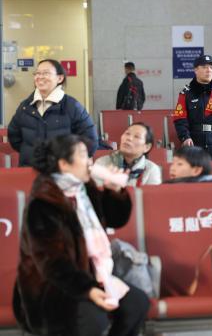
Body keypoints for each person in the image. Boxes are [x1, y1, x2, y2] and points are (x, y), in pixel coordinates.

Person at [13, 134, 150, 336]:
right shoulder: (43, 204)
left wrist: (114, 191)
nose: (90, 161)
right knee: (93, 319)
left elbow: (114, 220)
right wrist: (88, 289)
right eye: (84, 155)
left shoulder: (84, 189)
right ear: (64, 164)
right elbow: (53, 263)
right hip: (52, 288)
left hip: (90, 276)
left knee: (137, 304)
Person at [8, 59, 98, 167]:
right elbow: (14, 137)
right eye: (37, 73)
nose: (40, 77)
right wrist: (30, 151)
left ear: (60, 78)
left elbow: (90, 141)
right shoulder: (25, 106)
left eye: (46, 73)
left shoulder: (72, 106)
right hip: (29, 168)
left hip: (62, 171)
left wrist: (68, 160)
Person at [173, 54, 212, 160]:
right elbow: (180, 119)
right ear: (196, 70)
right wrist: (185, 137)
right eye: (204, 67)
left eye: (211, 67)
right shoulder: (186, 93)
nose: (209, 70)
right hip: (195, 143)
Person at [93, 123, 162, 186]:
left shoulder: (151, 170)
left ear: (147, 147)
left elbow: (152, 195)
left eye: (137, 136)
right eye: (127, 133)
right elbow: (94, 193)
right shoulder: (102, 162)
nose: (129, 138)